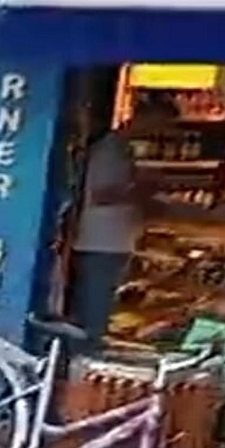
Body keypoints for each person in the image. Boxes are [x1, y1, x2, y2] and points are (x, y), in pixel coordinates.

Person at [69, 94, 177, 352]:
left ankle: (85, 354)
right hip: (100, 241)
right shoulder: (110, 149)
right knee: (94, 311)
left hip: (111, 241)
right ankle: (83, 357)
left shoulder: (120, 149)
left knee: (98, 307)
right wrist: (142, 190)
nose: (160, 131)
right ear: (145, 117)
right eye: (160, 123)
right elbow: (101, 195)